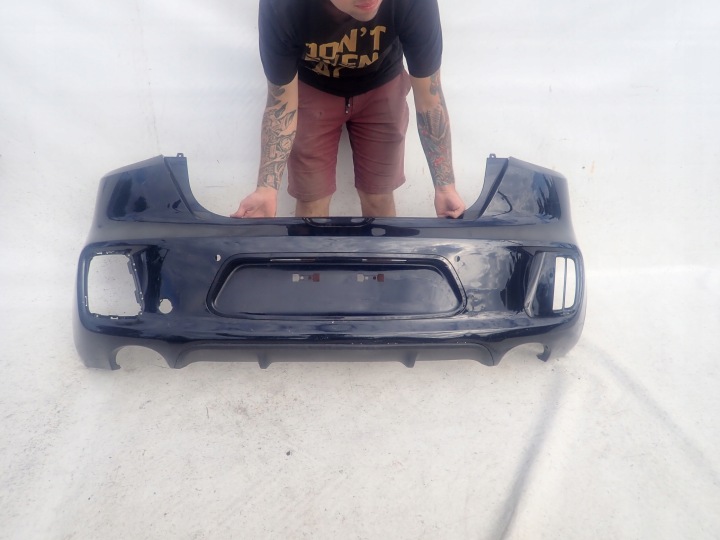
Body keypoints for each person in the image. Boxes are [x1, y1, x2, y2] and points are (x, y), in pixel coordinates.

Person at [231, 0, 465, 219]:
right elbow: (281, 104)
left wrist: (445, 188)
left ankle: (380, 253)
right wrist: (266, 190)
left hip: (382, 83)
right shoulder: (283, 6)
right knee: (311, 204)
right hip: (314, 86)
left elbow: (429, 101)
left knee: (379, 198)